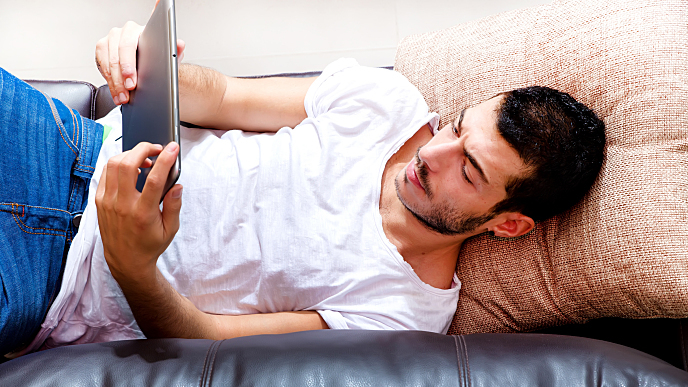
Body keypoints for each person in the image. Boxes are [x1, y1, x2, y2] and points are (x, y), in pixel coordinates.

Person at [0, 19, 605, 356]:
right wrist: (152, 68)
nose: (433, 151)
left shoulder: (406, 313)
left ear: (508, 223)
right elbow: (224, 96)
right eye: (455, 126)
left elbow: (207, 338)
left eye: (469, 169)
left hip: (55, 281)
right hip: (68, 146)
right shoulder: (387, 101)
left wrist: (133, 265)